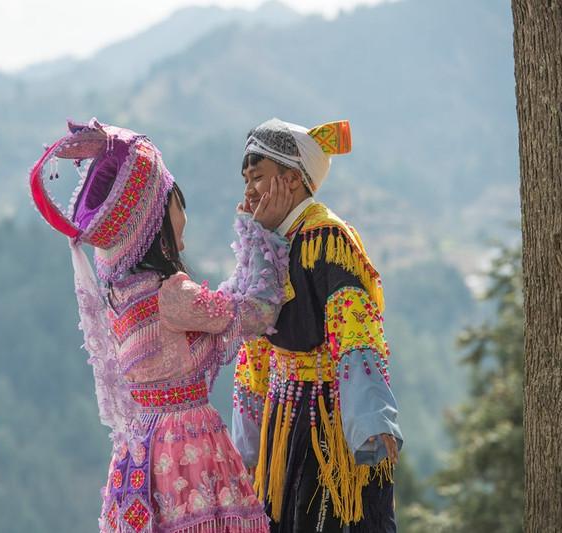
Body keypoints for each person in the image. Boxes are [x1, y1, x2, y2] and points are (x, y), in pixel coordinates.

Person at [29, 118, 293, 533]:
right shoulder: (175, 295)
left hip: (142, 446)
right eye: (176, 202)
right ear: (156, 214)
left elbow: (223, 307)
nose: (182, 213)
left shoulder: (124, 295)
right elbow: (256, 313)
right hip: (188, 447)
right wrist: (260, 232)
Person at [231, 118, 403, 532]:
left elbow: (356, 335)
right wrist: (247, 443)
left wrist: (371, 422)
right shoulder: (273, 239)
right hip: (283, 417)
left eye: (258, 177)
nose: (248, 191)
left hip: (325, 421)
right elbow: (253, 344)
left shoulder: (328, 238)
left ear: (291, 180)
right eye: (246, 180)